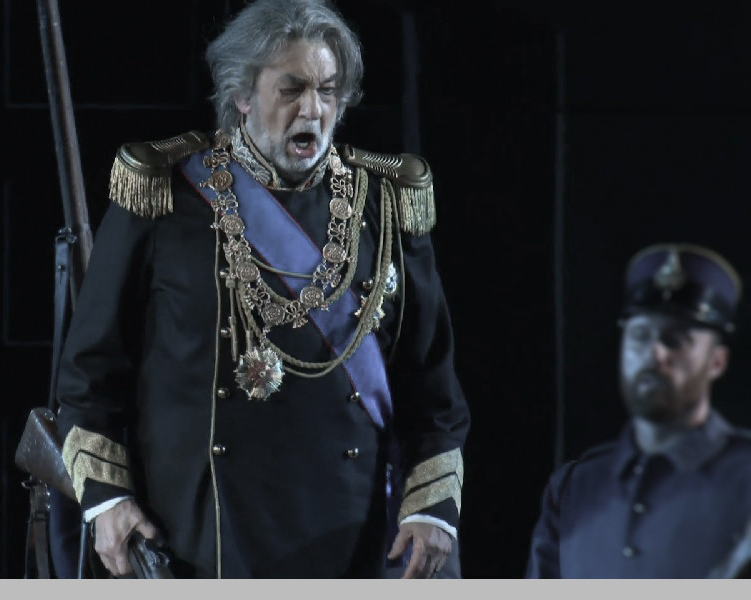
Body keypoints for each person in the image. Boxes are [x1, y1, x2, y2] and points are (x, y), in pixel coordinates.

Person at [54, 0, 469, 578]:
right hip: (201, 541)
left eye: (328, 90)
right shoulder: (166, 198)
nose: (313, 110)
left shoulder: (385, 206)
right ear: (243, 95)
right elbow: (89, 378)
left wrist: (433, 510)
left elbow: (433, 390)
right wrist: (108, 502)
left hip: (355, 538)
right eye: (292, 89)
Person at [526, 243, 750, 578]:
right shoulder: (575, 487)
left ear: (716, 361)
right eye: (640, 336)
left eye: (677, 340)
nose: (655, 353)